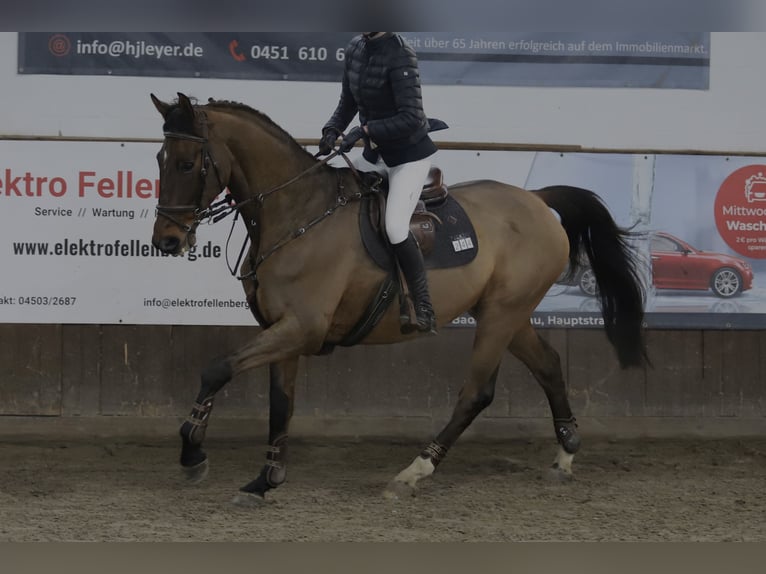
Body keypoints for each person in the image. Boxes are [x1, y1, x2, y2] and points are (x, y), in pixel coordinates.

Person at [318, 32, 441, 335]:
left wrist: (363, 131)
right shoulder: (356, 47)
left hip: (407, 158)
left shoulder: (401, 53)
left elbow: (412, 117)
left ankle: (423, 306)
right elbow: (347, 101)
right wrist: (332, 128)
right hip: (375, 156)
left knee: (395, 227)